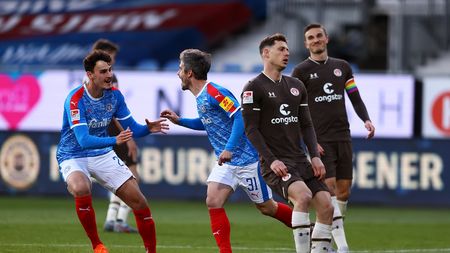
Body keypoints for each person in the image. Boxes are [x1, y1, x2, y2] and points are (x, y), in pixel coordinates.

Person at [160, 48, 294, 253]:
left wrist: (229, 149)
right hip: (227, 163)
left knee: (267, 207)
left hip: (248, 160)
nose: (178, 73)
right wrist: (180, 121)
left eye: (180, 68)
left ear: (189, 73)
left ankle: (310, 229)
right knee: (213, 200)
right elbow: (207, 122)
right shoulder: (202, 97)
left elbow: (239, 116)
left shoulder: (214, 92)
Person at [57, 50, 169, 253]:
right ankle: (97, 245)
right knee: (81, 188)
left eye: (110, 70)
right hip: (73, 155)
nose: (109, 75)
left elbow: (132, 128)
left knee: (139, 202)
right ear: (90, 75)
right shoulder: (75, 99)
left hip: (102, 154)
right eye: (103, 71)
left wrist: (148, 129)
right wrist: (114, 140)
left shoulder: (115, 96)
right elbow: (83, 140)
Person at [241, 33, 334, 253]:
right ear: (266, 53)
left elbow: (307, 125)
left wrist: (315, 156)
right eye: (281, 49)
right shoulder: (253, 87)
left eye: (287, 49)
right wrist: (271, 160)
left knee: (327, 207)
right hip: (276, 163)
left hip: (301, 160)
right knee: (303, 196)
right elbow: (251, 129)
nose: (287, 53)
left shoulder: (296, 85)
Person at [291, 23, 375, 253]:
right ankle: (342, 246)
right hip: (319, 140)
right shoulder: (300, 72)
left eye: (319, 36)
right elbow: (295, 111)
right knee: (328, 191)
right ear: (306, 43)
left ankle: (324, 236)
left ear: (326, 39)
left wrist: (366, 119)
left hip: (343, 136)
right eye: (311, 37)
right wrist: (309, 143)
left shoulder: (342, 67)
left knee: (344, 191)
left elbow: (355, 97)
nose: (316, 40)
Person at [88, 39, 140, 233]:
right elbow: (114, 112)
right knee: (130, 176)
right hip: (113, 131)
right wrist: (129, 137)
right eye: (111, 56)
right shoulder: (109, 77)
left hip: (103, 130)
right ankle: (118, 220)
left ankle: (113, 219)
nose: (113, 61)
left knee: (125, 175)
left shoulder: (90, 78)